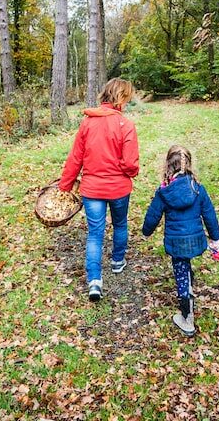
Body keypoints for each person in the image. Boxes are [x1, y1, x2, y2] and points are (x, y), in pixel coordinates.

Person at [59, 78, 139, 302]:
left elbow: (75, 157)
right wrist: (126, 170)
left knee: (95, 233)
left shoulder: (87, 123)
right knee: (120, 223)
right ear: (121, 98)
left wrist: (65, 185)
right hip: (119, 188)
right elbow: (131, 164)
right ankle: (117, 261)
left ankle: (95, 280)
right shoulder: (126, 125)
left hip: (92, 189)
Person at [142, 145, 219, 336]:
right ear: (189, 165)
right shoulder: (198, 188)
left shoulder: (164, 191)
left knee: (180, 272)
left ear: (168, 166)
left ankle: (187, 317)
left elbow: (153, 215)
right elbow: (210, 215)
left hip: (176, 243)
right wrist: (215, 238)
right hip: (195, 240)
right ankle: (188, 282)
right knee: (185, 266)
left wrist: (146, 232)